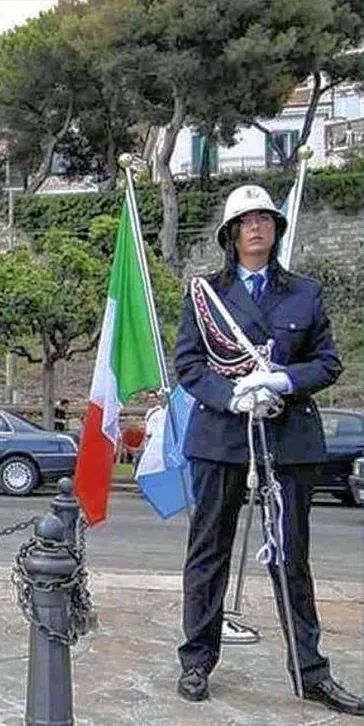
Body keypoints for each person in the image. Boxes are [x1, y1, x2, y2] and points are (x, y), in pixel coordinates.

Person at [173, 184, 362, 715]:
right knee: (208, 553)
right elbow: (189, 365)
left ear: (276, 230)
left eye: (265, 219)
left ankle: (310, 671)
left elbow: (328, 362)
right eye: (246, 220)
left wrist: (281, 381)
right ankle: (195, 661)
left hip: (288, 436)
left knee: (291, 559)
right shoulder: (205, 295)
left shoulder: (304, 292)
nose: (257, 227)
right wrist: (230, 393)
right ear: (231, 234)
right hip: (221, 437)